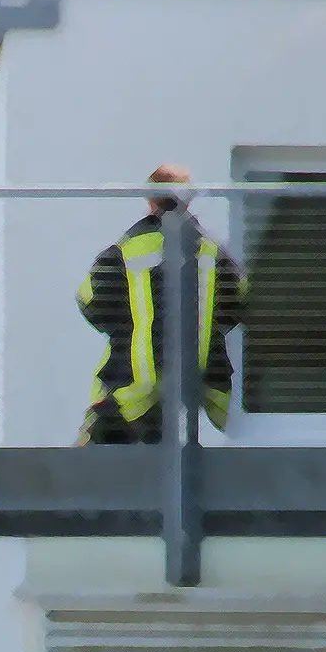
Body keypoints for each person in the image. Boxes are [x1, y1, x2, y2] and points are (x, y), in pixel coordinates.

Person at [75, 163, 245, 446]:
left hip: (131, 389)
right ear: (190, 201)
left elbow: (90, 301)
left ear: (150, 200)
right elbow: (239, 301)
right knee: (192, 478)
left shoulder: (127, 249)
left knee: (91, 474)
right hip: (202, 392)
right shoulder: (211, 251)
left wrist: (126, 323)